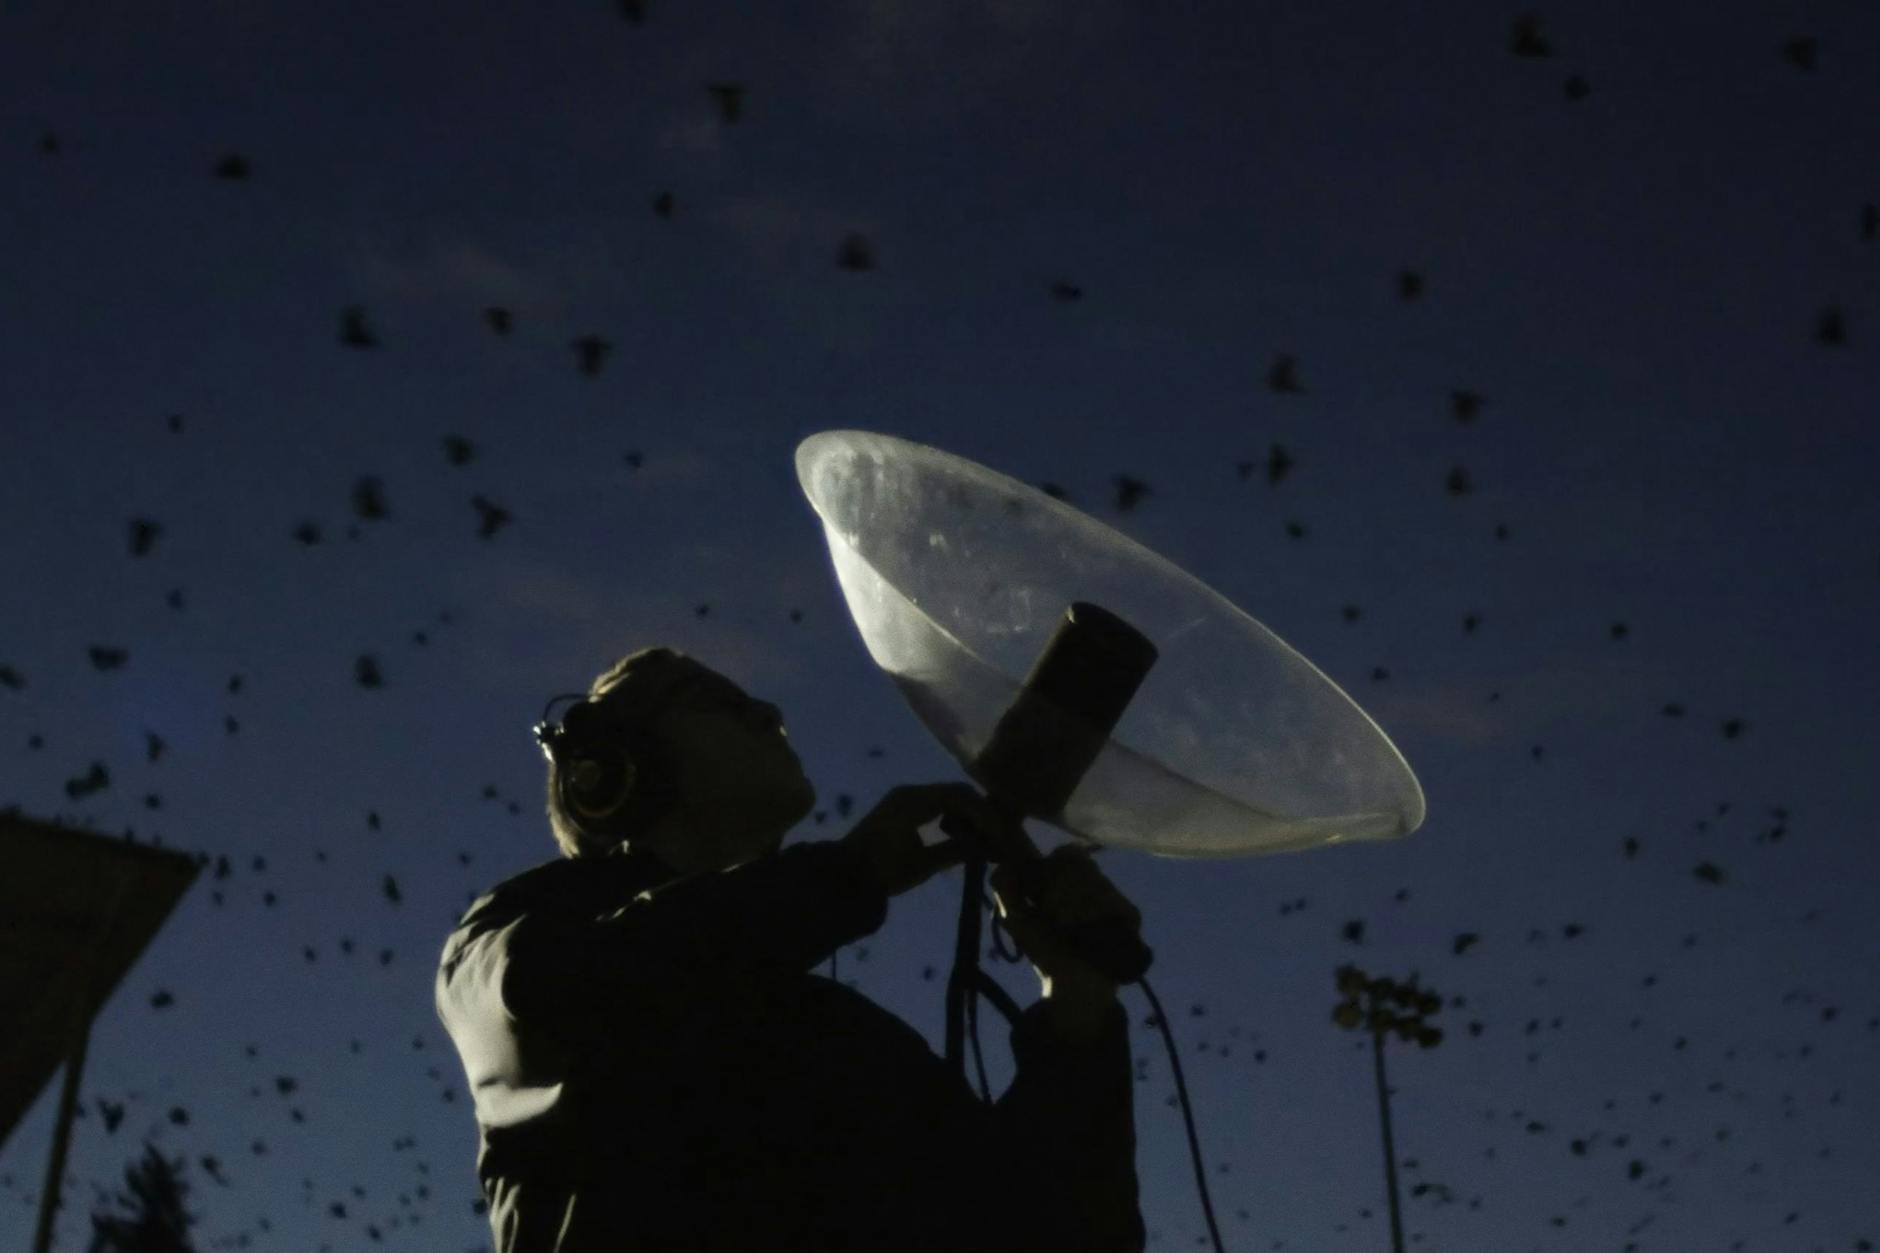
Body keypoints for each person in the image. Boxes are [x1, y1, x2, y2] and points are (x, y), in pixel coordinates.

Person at [434, 646, 1146, 1252]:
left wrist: (1078, 1012)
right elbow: (566, 991)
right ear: (611, 767)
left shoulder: (857, 1043)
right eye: (715, 699)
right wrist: (849, 873)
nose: (769, 713)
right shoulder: (515, 939)